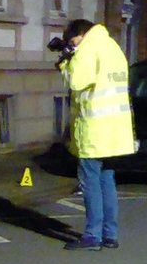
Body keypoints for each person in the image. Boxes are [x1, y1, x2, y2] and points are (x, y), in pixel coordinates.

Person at [55, 19, 135, 251]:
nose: (72, 46)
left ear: (81, 34)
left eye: (73, 41)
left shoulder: (88, 49)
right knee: (107, 181)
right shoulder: (113, 47)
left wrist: (65, 64)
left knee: (90, 183)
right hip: (115, 131)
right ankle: (110, 234)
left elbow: (77, 82)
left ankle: (92, 236)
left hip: (94, 130)